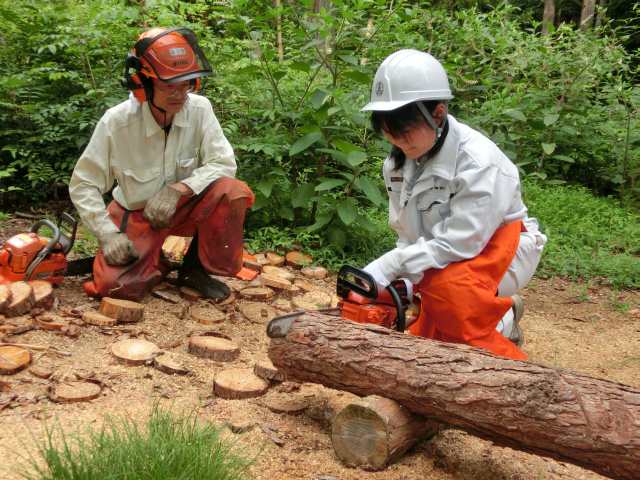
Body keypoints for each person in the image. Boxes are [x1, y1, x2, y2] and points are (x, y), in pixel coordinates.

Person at [361, 49, 547, 361]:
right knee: (429, 325)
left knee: (449, 292)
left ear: (437, 113)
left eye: (405, 132)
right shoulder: (395, 166)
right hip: (446, 251)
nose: (399, 144)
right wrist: (400, 283)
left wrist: (391, 265)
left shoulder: (479, 163)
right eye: (390, 134)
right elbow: (408, 236)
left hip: (499, 247)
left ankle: (503, 335)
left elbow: (462, 243)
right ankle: (500, 312)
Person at [69, 27, 254, 301]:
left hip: (184, 208)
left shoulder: (200, 110)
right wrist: (107, 235)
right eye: (169, 86)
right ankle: (156, 260)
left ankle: (194, 268)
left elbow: (223, 162)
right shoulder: (117, 122)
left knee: (232, 191)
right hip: (137, 214)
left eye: (186, 84)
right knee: (115, 287)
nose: (179, 95)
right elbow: (84, 184)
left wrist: (180, 188)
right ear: (143, 84)